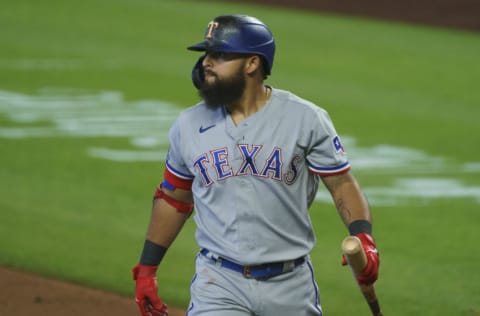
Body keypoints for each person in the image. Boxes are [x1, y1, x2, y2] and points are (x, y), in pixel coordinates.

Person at [132, 14, 379, 316]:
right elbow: (175, 199)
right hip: (219, 282)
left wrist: (363, 236)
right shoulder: (188, 124)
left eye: (220, 55)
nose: (207, 62)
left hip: (290, 285)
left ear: (252, 64)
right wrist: (147, 268)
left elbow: (341, 184)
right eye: (207, 54)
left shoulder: (305, 119)